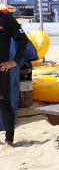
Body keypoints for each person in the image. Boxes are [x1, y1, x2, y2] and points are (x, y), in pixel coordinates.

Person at [0, 10, 28, 149]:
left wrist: (15, 61)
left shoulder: (6, 19)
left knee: (4, 103)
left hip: (1, 70)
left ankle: (8, 140)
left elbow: (23, 40)